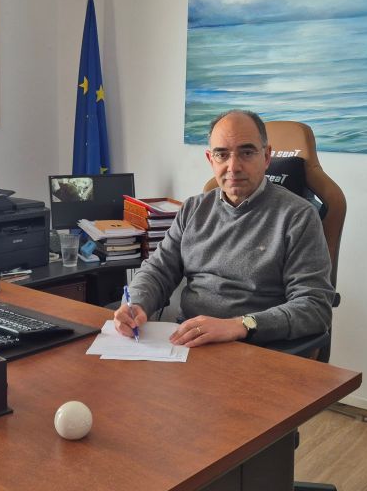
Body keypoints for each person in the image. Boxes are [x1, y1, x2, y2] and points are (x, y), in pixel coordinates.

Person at [113, 110, 335, 348]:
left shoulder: (298, 216)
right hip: (188, 343)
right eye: (222, 154)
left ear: (266, 157)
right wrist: (136, 303)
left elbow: (314, 306)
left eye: (247, 153)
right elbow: (158, 270)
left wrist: (240, 325)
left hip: (256, 347)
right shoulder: (193, 209)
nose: (233, 166)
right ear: (211, 159)